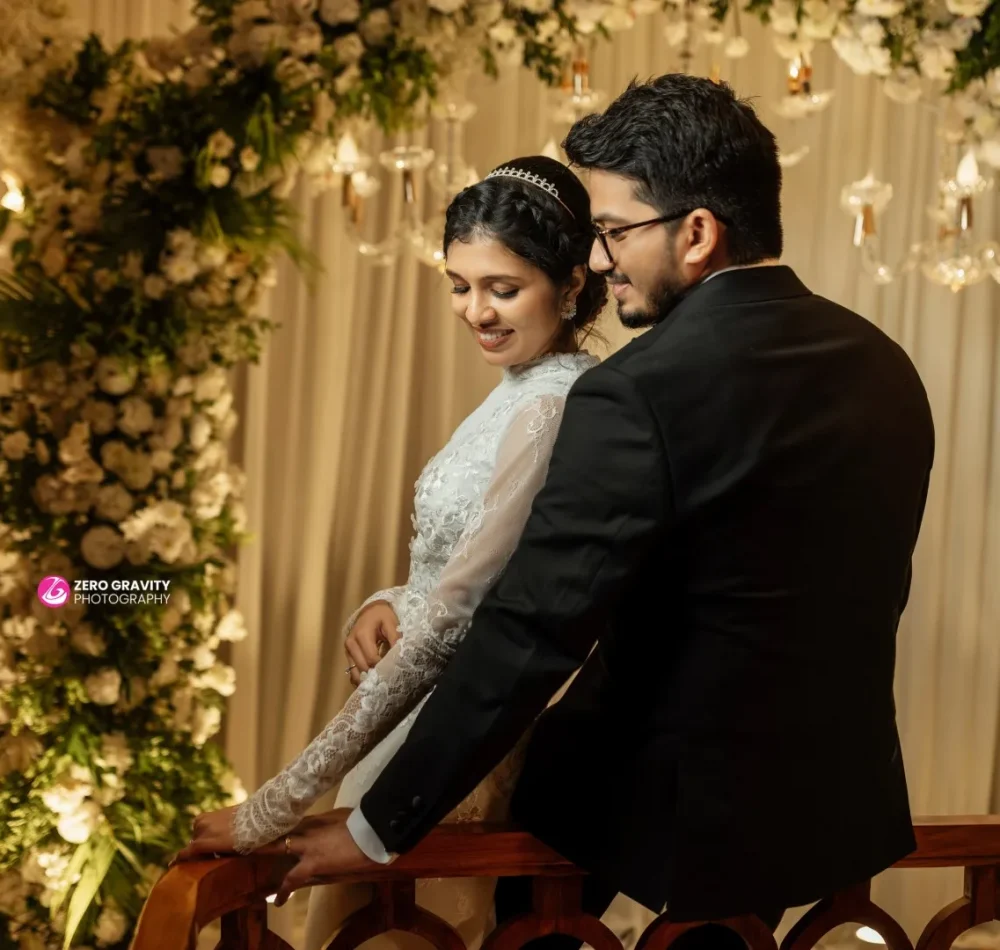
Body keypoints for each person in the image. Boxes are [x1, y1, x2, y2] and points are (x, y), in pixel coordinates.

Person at [263, 74, 935, 947]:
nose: (604, 257)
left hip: (648, 830)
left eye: (616, 231)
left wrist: (379, 823)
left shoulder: (634, 392)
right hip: (836, 808)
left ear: (696, 233)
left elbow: (536, 631)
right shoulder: (886, 365)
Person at [176, 155, 607, 950]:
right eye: (459, 284)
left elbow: (463, 617)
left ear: (572, 283)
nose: (475, 309)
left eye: (502, 288)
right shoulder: (520, 388)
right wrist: (389, 600)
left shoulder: (554, 404)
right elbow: (458, 574)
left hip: (449, 745)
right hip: (417, 722)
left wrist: (274, 802)